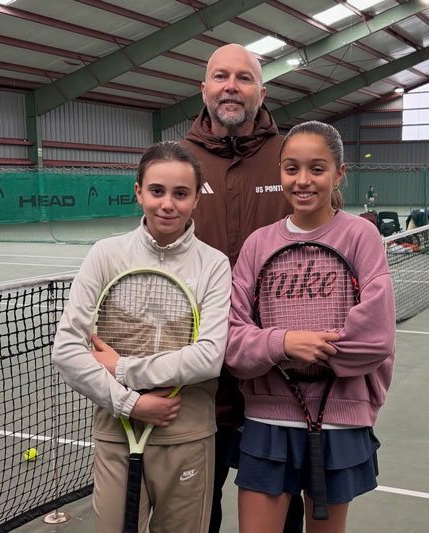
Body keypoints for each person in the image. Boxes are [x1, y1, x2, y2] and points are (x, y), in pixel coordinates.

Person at [51, 141, 232, 533]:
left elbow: (209, 358)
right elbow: (67, 349)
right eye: (157, 191)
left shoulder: (214, 264)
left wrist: (124, 368)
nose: (168, 204)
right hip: (117, 433)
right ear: (138, 192)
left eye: (181, 194)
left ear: (197, 198)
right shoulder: (104, 254)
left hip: (188, 436)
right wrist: (130, 404)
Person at [225, 121, 396, 533]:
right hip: (268, 420)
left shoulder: (361, 237)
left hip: (340, 420)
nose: (303, 181)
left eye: (317, 169)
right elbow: (232, 340)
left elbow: (376, 339)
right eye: (291, 168)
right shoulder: (257, 245)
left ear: (338, 173)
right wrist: (284, 343)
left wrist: (308, 351)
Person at [180, 43, 297, 533]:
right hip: (196, 376)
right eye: (221, 76)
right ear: (204, 88)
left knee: (278, 512)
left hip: (276, 374)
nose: (232, 86)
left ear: (262, 91)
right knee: (195, 509)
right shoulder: (177, 160)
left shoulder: (290, 157)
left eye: (244, 77)